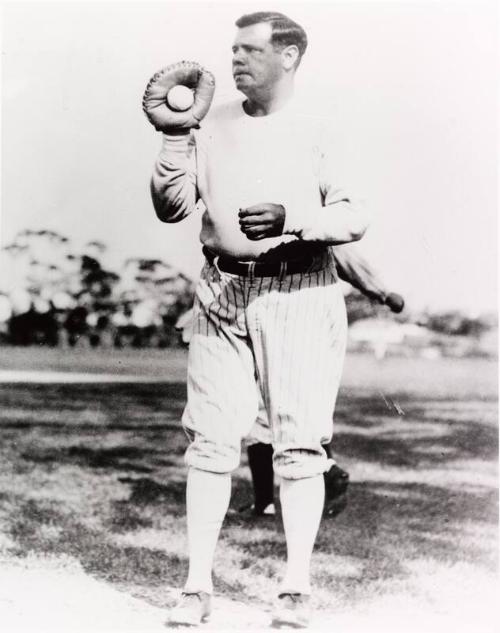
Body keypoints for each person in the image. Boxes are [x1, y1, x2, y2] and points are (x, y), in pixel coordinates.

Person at [146, 11, 371, 627]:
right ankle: (196, 587)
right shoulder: (211, 126)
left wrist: (295, 217)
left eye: (249, 50)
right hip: (222, 291)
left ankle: (294, 589)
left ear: (290, 56)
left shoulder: (322, 127)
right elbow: (172, 209)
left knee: (298, 444)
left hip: (300, 292)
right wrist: (172, 138)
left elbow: (352, 215)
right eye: (234, 49)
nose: (236, 60)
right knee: (210, 443)